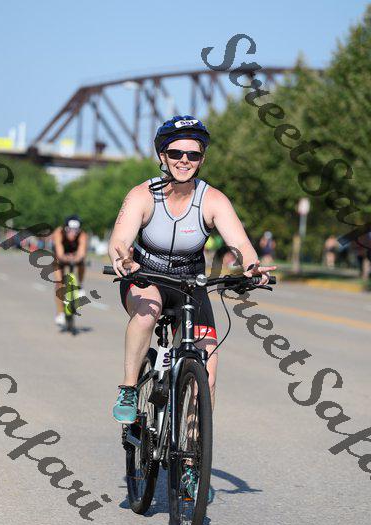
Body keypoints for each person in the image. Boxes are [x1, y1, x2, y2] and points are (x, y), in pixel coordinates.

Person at [109, 115, 276, 428]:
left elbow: (240, 243)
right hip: (146, 276)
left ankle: (193, 448)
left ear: (202, 160)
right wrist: (124, 260)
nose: (184, 160)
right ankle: (129, 389)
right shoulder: (143, 195)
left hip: (190, 283)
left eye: (193, 155)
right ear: (163, 156)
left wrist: (251, 266)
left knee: (208, 369)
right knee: (147, 313)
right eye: (176, 153)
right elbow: (120, 240)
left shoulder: (212, 199)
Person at [53, 215, 88, 327]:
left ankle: (80, 285)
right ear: (65, 228)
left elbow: (81, 252)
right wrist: (65, 258)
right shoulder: (58, 233)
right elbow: (59, 253)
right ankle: (60, 313)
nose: (73, 233)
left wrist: (76, 258)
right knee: (59, 283)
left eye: (76, 230)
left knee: (82, 262)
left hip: (74, 254)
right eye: (70, 230)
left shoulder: (82, 235)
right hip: (61, 256)